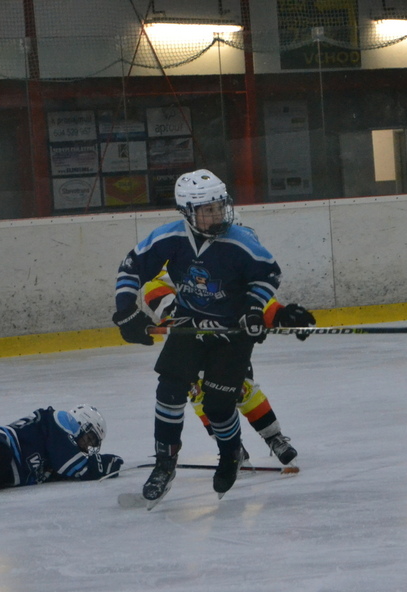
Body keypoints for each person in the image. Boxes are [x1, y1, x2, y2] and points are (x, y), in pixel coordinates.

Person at [112, 168, 282, 503]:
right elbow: (131, 268)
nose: (217, 214)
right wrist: (125, 311)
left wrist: (252, 309)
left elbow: (268, 276)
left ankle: (230, 454)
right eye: (207, 209)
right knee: (169, 390)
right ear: (187, 212)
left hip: (231, 334)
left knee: (218, 406)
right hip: (190, 325)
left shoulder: (240, 241)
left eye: (219, 206)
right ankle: (164, 463)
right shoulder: (170, 237)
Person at [142, 267, 315, 465]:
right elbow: (155, 286)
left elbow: (249, 294)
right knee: (199, 395)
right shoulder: (174, 260)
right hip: (187, 344)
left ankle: (274, 437)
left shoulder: (226, 259)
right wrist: (176, 313)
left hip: (227, 343)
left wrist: (279, 315)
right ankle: (231, 448)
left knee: (242, 389)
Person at [0, 405, 122, 496]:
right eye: (89, 438)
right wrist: (104, 464)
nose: (88, 445)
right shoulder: (58, 421)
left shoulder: (66, 454)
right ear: (78, 424)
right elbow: (76, 466)